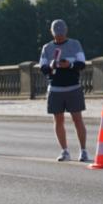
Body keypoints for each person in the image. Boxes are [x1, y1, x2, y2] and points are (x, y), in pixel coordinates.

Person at [39, 19, 88, 162]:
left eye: (61, 34)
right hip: (55, 88)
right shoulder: (47, 48)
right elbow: (42, 68)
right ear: (52, 33)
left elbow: (82, 63)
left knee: (77, 119)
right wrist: (51, 67)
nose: (59, 36)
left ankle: (83, 150)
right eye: (57, 34)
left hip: (73, 86)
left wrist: (70, 65)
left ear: (66, 31)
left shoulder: (75, 44)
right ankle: (64, 150)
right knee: (58, 120)